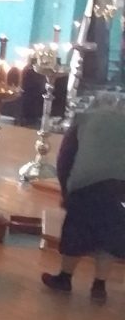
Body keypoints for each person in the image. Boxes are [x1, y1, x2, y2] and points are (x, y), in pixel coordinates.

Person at [41, 97, 125, 305]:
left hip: (85, 185)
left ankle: (65, 278)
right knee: (108, 235)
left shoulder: (84, 119)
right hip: (118, 187)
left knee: (76, 233)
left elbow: (65, 158)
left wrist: (66, 191)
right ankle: (99, 286)